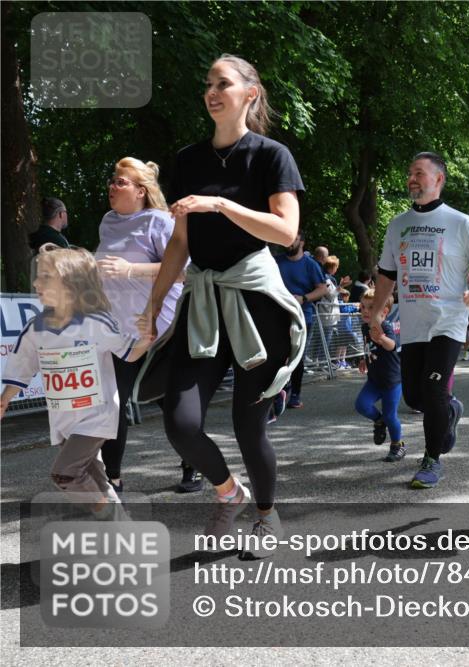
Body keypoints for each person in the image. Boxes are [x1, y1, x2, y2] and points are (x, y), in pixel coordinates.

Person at [136, 54, 305, 559]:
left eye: (223, 83)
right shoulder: (188, 160)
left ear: (250, 94)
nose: (211, 91)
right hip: (203, 301)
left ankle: (268, 516)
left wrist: (221, 204)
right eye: (207, 83)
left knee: (247, 426)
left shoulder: (273, 155)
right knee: (181, 421)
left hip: (257, 306)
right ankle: (230, 493)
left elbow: (287, 231)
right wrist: (152, 308)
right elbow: (179, 247)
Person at [369, 151, 469, 489]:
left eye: (420, 172)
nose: (412, 178)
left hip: (448, 322)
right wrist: (378, 312)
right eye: (410, 172)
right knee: (414, 396)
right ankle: (451, 411)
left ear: (438, 179)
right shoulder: (398, 225)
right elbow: (386, 274)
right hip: (413, 325)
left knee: (433, 389)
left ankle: (431, 461)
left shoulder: (461, 222)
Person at [1, 245, 150, 519]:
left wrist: (146, 337)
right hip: (63, 420)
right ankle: (124, 531)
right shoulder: (35, 328)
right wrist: (5, 399)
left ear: (71, 282)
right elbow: (22, 365)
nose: (36, 282)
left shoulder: (97, 323)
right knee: (97, 479)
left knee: (65, 473)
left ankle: (108, 517)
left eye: (46, 276)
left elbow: (128, 353)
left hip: (97, 416)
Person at [94, 157, 199, 494]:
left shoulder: (159, 221)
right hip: (118, 331)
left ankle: (193, 464)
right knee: (112, 402)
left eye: (120, 181)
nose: (112, 186)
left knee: (167, 402)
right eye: (112, 180)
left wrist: (131, 270)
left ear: (141, 191)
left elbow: (186, 271)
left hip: (159, 329)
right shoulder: (108, 222)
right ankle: (113, 479)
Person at [276, 230, 328, 409]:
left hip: (302, 317)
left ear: (302, 242)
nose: (289, 241)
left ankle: (295, 394)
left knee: (296, 357)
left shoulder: (310, 265)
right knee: (277, 355)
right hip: (278, 315)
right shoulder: (276, 262)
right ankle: (278, 391)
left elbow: (323, 289)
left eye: (294, 238)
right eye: (287, 237)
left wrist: (303, 298)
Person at [356, 289, 405, 462]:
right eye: (363, 307)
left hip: (392, 381)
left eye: (371, 307)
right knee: (361, 405)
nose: (365, 311)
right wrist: (363, 359)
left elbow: (392, 345)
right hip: (375, 380)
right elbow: (367, 346)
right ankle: (379, 420)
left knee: (391, 415)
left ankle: (397, 445)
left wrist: (382, 338)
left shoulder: (385, 327)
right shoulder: (364, 327)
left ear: (384, 312)